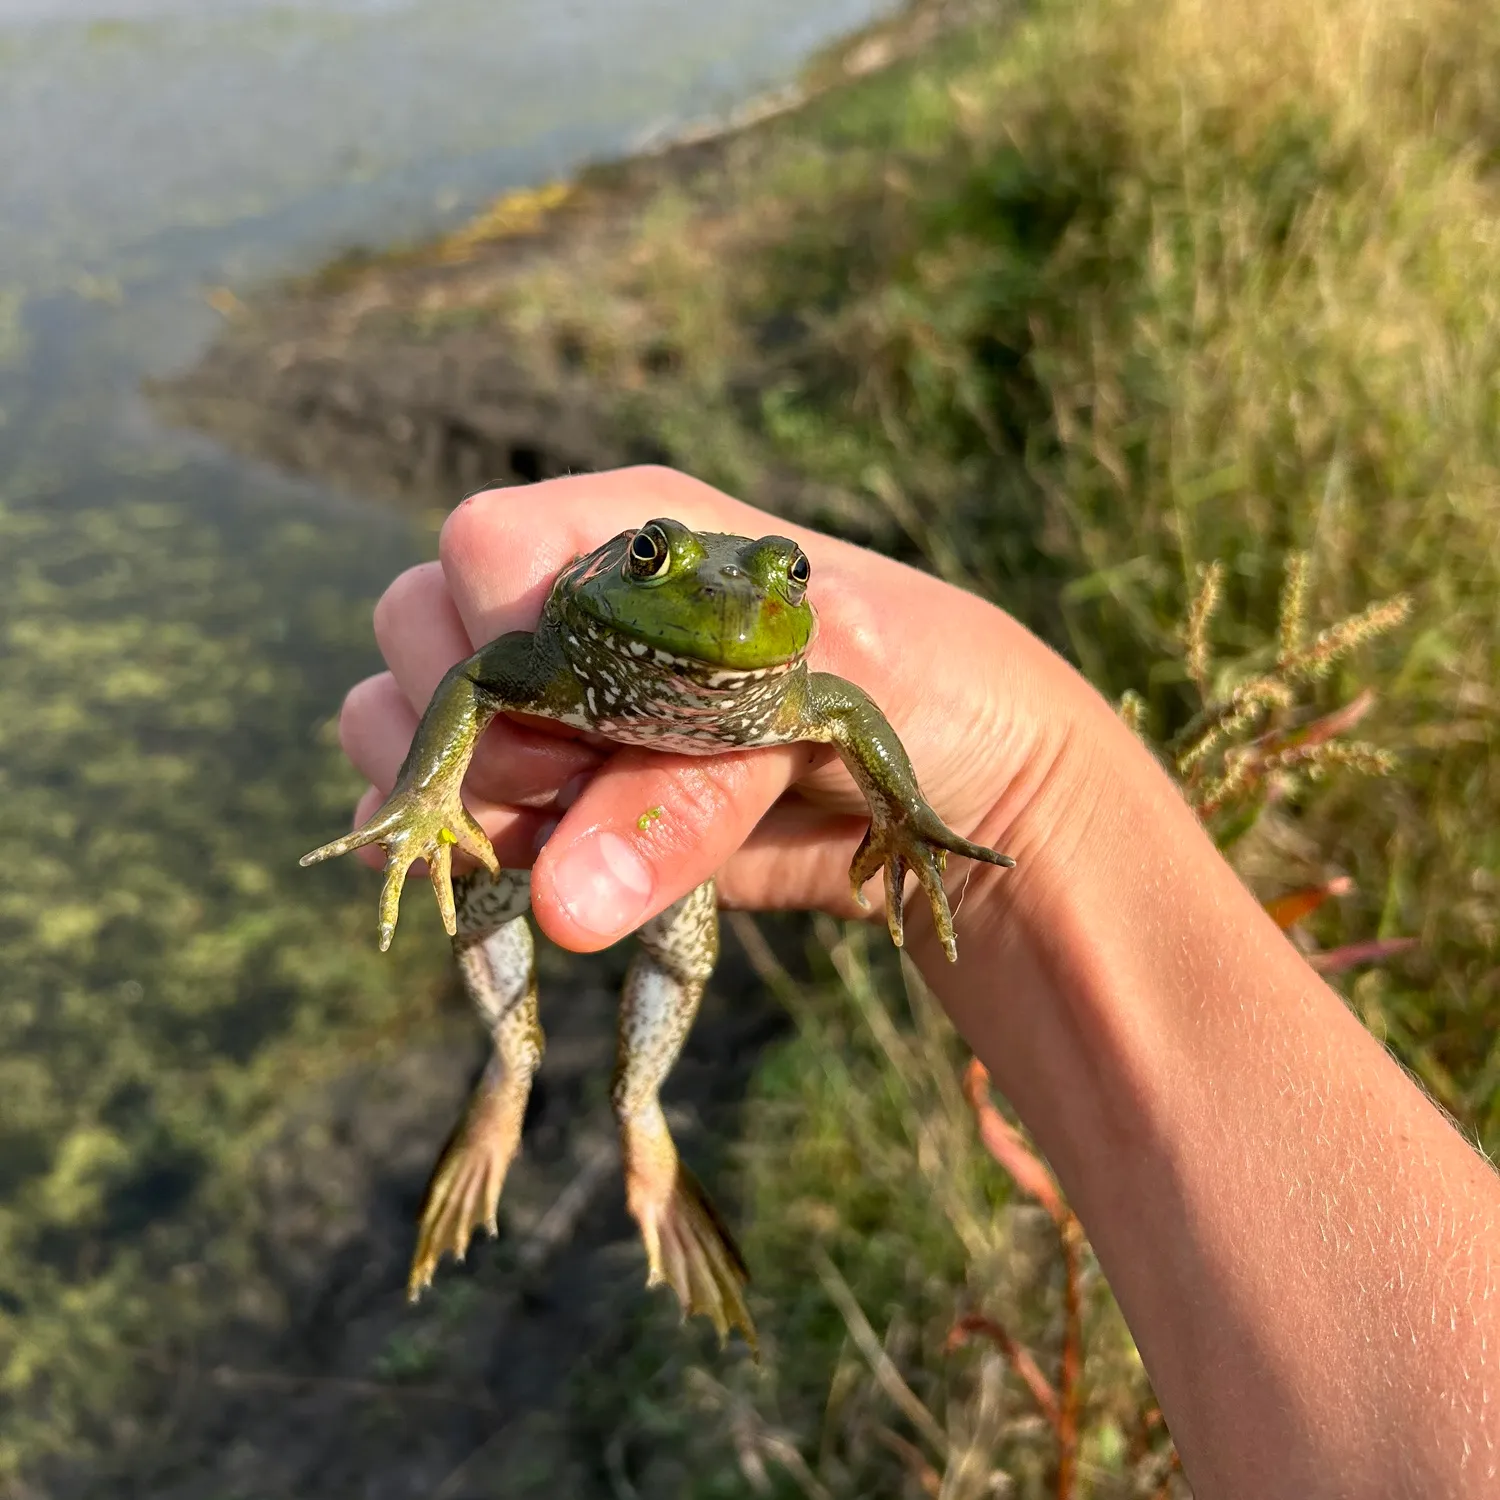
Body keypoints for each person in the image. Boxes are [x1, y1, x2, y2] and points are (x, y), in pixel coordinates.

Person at [334, 466, 1499, 1498]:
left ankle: (637, 1125)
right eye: (653, 559)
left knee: (676, 945)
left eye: (780, 582)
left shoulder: (794, 684)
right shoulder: (568, 648)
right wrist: (434, 791)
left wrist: (935, 809)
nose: (735, 600)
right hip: (573, 790)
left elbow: (840, 704)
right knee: (480, 876)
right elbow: (482, 678)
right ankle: (514, 1070)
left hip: (677, 857)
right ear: (602, 574)